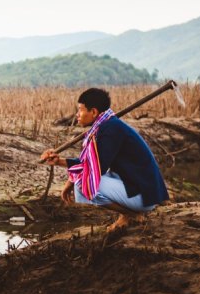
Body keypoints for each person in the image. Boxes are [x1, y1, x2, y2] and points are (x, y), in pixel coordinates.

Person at [41, 87, 169, 232]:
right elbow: (91, 162)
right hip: (137, 187)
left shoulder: (111, 129)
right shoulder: (105, 126)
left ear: (94, 112)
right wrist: (61, 165)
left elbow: (96, 168)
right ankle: (129, 213)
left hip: (143, 196)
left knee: (84, 183)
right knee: (81, 182)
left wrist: (62, 164)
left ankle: (131, 214)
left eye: (81, 110)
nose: (77, 115)